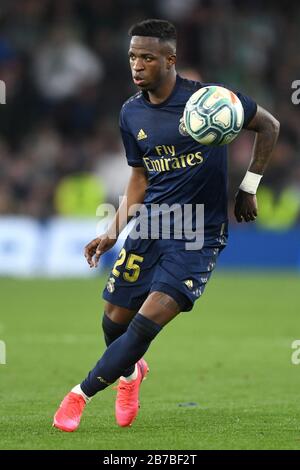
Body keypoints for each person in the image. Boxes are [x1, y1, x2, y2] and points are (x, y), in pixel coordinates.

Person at [53, 19, 280, 432]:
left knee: (146, 321)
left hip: (198, 233)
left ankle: (78, 396)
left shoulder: (211, 101)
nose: (136, 65)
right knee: (113, 319)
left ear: (170, 60)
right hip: (152, 223)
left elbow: (270, 125)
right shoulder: (130, 112)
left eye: (147, 57)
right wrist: (112, 231)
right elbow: (139, 177)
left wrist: (249, 187)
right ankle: (130, 374)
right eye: (132, 57)